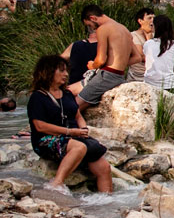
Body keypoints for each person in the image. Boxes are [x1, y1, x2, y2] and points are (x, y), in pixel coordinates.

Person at [28, 55, 112, 193]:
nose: (66, 74)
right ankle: (56, 184)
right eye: (61, 70)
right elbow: (40, 126)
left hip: (73, 137)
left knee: (104, 167)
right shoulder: (37, 97)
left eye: (66, 70)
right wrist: (70, 132)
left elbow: (77, 115)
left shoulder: (66, 94)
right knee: (79, 148)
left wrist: (83, 128)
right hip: (46, 139)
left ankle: (107, 201)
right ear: (48, 72)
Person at [77, 4, 140, 111]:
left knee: (74, 105)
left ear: (93, 18)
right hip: (120, 76)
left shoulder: (103, 29)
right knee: (72, 89)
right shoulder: (124, 29)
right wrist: (120, 63)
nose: (91, 28)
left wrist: (93, 65)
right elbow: (137, 57)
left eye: (90, 25)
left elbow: (100, 60)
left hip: (106, 75)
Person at [127, 7, 155, 82]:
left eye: (153, 18)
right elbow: (142, 57)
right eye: (149, 18)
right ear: (140, 21)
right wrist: (149, 41)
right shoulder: (133, 35)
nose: (152, 21)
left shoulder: (155, 35)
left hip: (154, 74)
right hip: (138, 75)